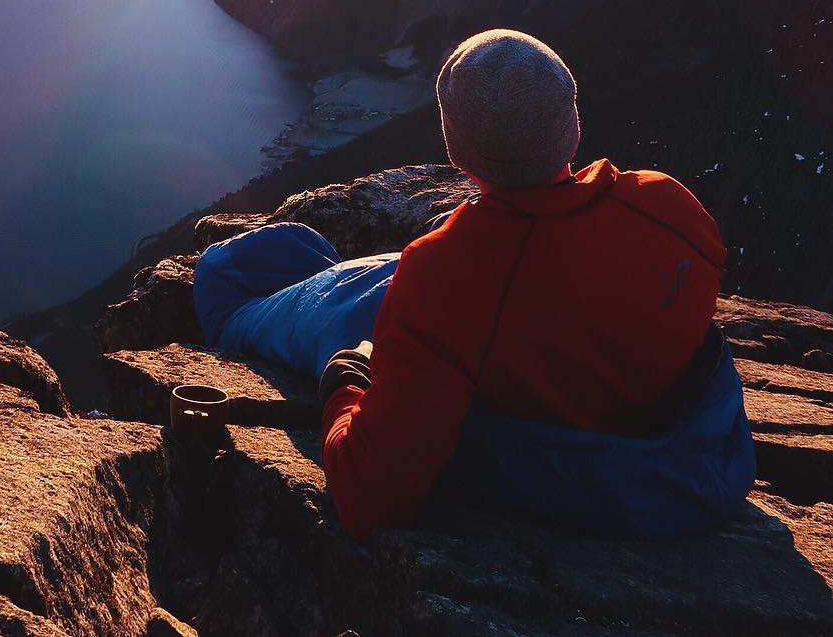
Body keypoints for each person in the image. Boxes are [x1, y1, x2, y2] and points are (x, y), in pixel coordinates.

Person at [193, 29, 754, 542]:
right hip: (668, 447)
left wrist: (345, 383)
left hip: (490, 389)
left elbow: (369, 496)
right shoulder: (670, 206)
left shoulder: (447, 275)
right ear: (572, 124)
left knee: (236, 283)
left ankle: (239, 303)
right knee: (366, 275)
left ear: (455, 149)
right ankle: (308, 270)